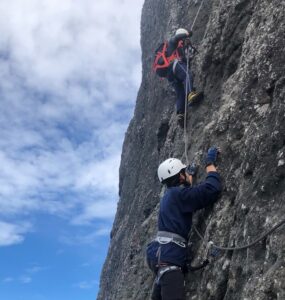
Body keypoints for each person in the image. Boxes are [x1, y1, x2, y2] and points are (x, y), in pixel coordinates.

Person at [146, 147, 222, 300]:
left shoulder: (170, 197)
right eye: (184, 171)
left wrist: (190, 176)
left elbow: (187, 196)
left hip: (162, 258)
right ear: (180, 177)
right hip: (169, 261)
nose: (187, 173)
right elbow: (211, 190)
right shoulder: (177, 196)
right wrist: (210, 164)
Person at [153, 28, 203, 125]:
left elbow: (188, 57)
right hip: (175, 65)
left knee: (180, 93)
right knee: (187, 75)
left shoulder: (178, 48)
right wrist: (188, 33)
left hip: (170, 75)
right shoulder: (173, 42)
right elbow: (176, 38)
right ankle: (191, 94)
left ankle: (180, 114)